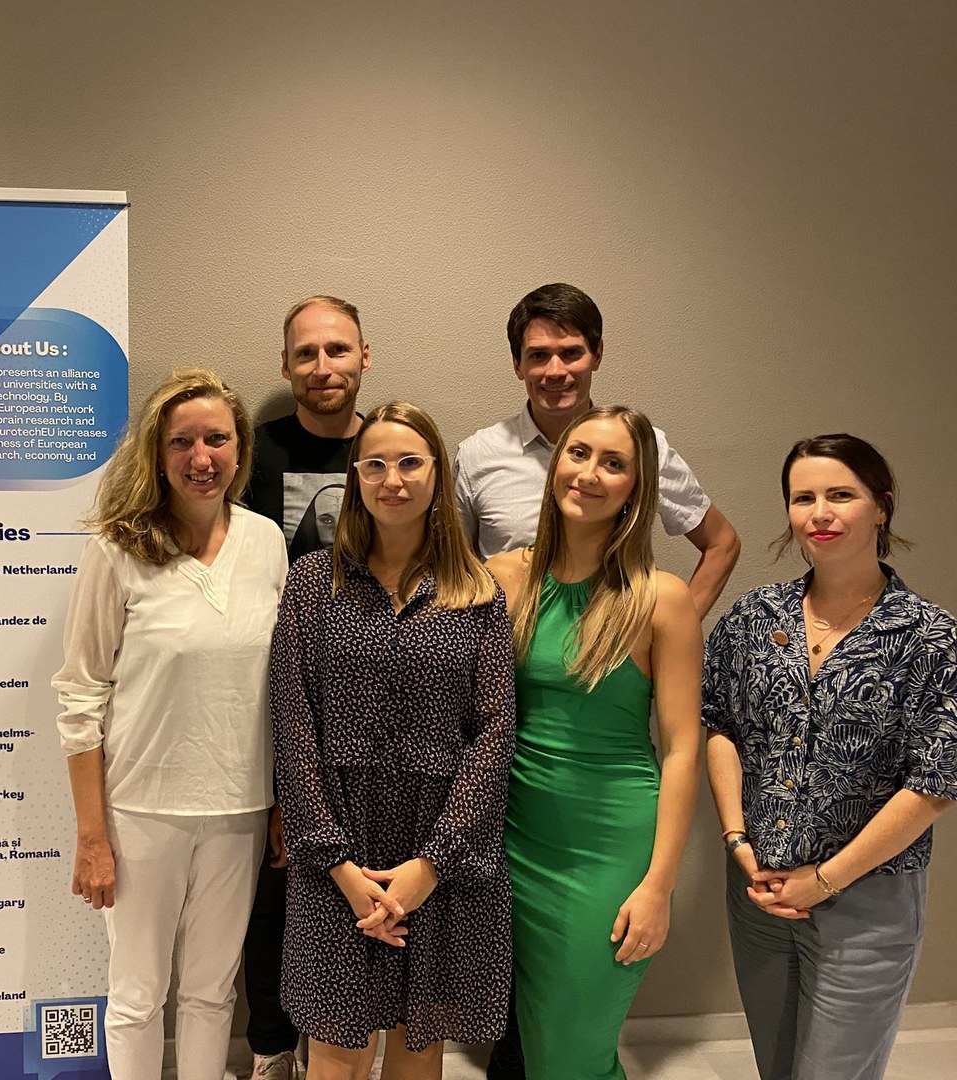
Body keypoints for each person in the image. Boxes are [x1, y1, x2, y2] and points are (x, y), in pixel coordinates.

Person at [51, 367, 288, 1080]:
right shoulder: (117, 548)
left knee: (214, 994)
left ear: (240, 449)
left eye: (217, 438)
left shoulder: (266, 542)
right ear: (157, 454)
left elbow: (276, 690)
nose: (201, 457)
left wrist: (278, 804)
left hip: (240, 807)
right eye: (182, 441)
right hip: (141, 808)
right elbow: (80, 693)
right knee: (136, 996)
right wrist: (92, 836)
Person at [270, 401, 516, 1080]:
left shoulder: (477, 592)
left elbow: (494, 735)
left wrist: (430, 866)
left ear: (438, 473)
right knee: (336, 1052)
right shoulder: (313, 584)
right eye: (374, 464)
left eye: (410, 462)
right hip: (338, 850)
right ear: (355, 477)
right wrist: (339, 868)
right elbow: (293, 727)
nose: (392, 479)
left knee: (418, 1045)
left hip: (440, 849)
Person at [702, 434, 956, 1080]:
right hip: (758, 892)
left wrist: (827, 878)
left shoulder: (929, 637)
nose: (820, 512)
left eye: (841, 494)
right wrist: (737, 840)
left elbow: (935, 781)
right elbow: (719, 724)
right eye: (803, 497)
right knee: (778, 1069)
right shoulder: (753, 619)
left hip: (866, 903)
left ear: (882, 507)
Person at [485, 405, 703, 1080]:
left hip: (606, 850)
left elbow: (683, 749)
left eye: (614, 463)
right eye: (578, 454)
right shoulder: (502, 577)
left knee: (571, 1056)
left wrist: (658, 886)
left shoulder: (661, 600)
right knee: (521, 1041)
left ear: (638, 489)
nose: (589, 473)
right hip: (511, 843)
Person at [243, 294, 372, 1080]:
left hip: (372, 708)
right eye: (306, 354)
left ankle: (348, 1039)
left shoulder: (394, 448)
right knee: (274, 884)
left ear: (366, 356)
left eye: (338, 350)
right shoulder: (253, 455)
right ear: (285, 365)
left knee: (356, 880)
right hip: (273, 699)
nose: (323, 367)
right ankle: (269, 1048)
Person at [454, 282, 740, 619]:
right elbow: (454, 570)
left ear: (597, 355)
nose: (556, 371)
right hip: (512, 659)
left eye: (572, 353)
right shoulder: (477, 455)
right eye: (539, 356)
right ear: (518, 365)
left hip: (615, 660)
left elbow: (722, 543)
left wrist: (674, 632)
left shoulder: (642, 447)